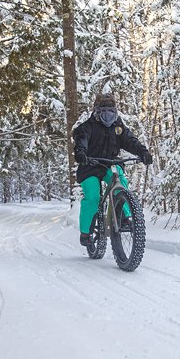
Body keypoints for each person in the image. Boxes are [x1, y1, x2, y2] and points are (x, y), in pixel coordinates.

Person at [73, 93, 152, 246]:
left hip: (110, 164)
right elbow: (81, 141)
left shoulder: (118, 127)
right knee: (93, 196)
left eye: (111, 112)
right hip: (90, 166)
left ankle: (125, 218)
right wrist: (81, 153)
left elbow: (130, 141)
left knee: (121, 183)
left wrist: (143, 152)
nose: (107, 116)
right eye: (104, 112)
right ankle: (86, 231)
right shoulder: (87, 127)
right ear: (97, 111)